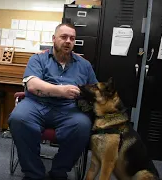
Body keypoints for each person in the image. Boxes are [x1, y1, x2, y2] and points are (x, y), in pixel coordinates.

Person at [8, 23, 98, 180]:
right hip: (36, 104)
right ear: (54, 39)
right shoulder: (38, 59)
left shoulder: (84, 65)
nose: (68, 41)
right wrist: (61, 90)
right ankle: (33, 173)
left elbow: (95, 91)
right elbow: (32, 85)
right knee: (18, 118)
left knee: (82, 125)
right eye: (64, 37)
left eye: (72, 38)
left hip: (69, 109)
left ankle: (59, 171)